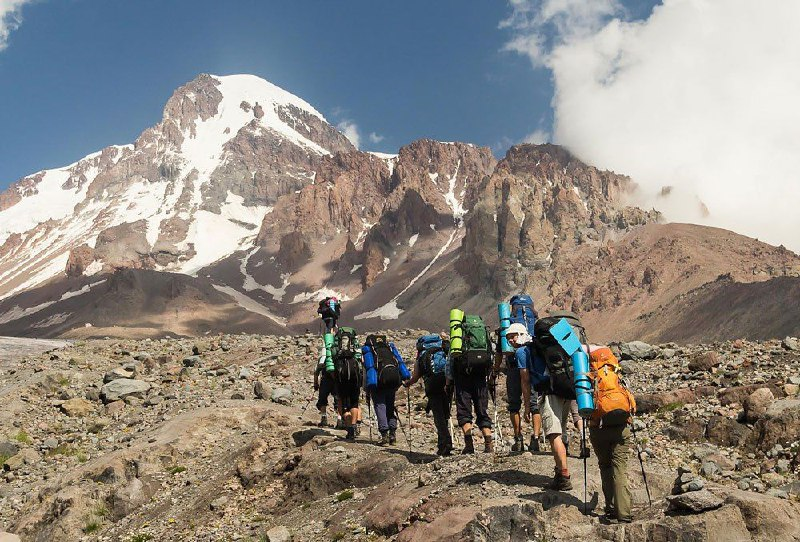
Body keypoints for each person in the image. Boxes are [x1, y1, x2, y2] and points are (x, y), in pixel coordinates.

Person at [522, 335, 573, 490]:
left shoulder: (527, 350)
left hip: (548, 394)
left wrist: (527, 406)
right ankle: (559, 471)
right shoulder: (561, 342)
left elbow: (525, 380)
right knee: (561, 430)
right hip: (567, 390)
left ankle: (563, 476)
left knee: (553, 434)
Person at [492, 323, 543, 452]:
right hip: (532, 377)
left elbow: (524, 379)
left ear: (520, 335)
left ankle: (518, 438)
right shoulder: (532, 346)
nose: (510, 340)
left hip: (515, 373)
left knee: (515, 405)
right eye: (508, 337)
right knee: (534, 405)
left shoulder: (519, 352)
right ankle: (535, 438)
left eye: (512, 336)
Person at [404, 334, 453, 456]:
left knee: (438, 416)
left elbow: (416, 376)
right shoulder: (442, 350)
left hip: (432, 386)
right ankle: (446, 443)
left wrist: (408, 383)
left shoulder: (422, 354)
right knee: (445, 414)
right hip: (447, 383)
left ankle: (445, 444)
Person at [447, 341, 493, 454]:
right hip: (481, 378)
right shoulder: (482, 339)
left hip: (462, 379)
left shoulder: (457, 341)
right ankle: (488, 444)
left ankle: (469, 445)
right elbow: (491, 356)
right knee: (482, 411)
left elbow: (450, 363)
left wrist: (448, 383)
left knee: (464, 411)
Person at [364, 335, 411, 446]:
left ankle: (384, 434)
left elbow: (367, 370)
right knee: (390, 406)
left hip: (378, 384)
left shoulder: (369, 352)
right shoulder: (389, 349)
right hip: (393, 382)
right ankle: (393, 435)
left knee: (380, 406)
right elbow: (399, 362)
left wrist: (367, 388)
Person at [314, 346, 336, 427]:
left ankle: (324, 418)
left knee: (322, 399)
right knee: (338, 400)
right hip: (336, 381)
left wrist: (315, 384)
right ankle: (340, 420)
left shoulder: (322, 359)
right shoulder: (336, 357)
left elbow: (316, 373)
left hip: (325, 381)